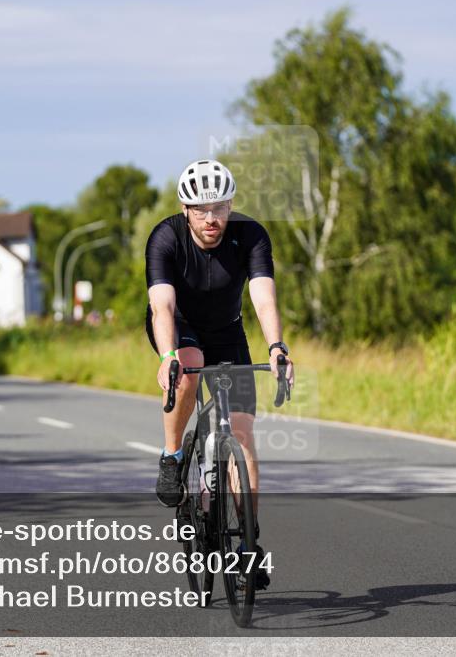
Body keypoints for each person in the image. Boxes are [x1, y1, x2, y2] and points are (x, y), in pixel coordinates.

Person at [144, 158, 295, 590]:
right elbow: (162, 307)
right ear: (185, 209)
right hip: (182, 327)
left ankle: (247, 543)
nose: (212, 219)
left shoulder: (250, 236)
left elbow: (264, 299)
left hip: (229, 331)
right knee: (188, 372)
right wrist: (168, 354)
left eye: (220, 208)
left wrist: (277, 347)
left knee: (243, 433)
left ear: (231, 205)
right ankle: (173, 456)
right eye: (201, 209)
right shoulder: (165, 237)